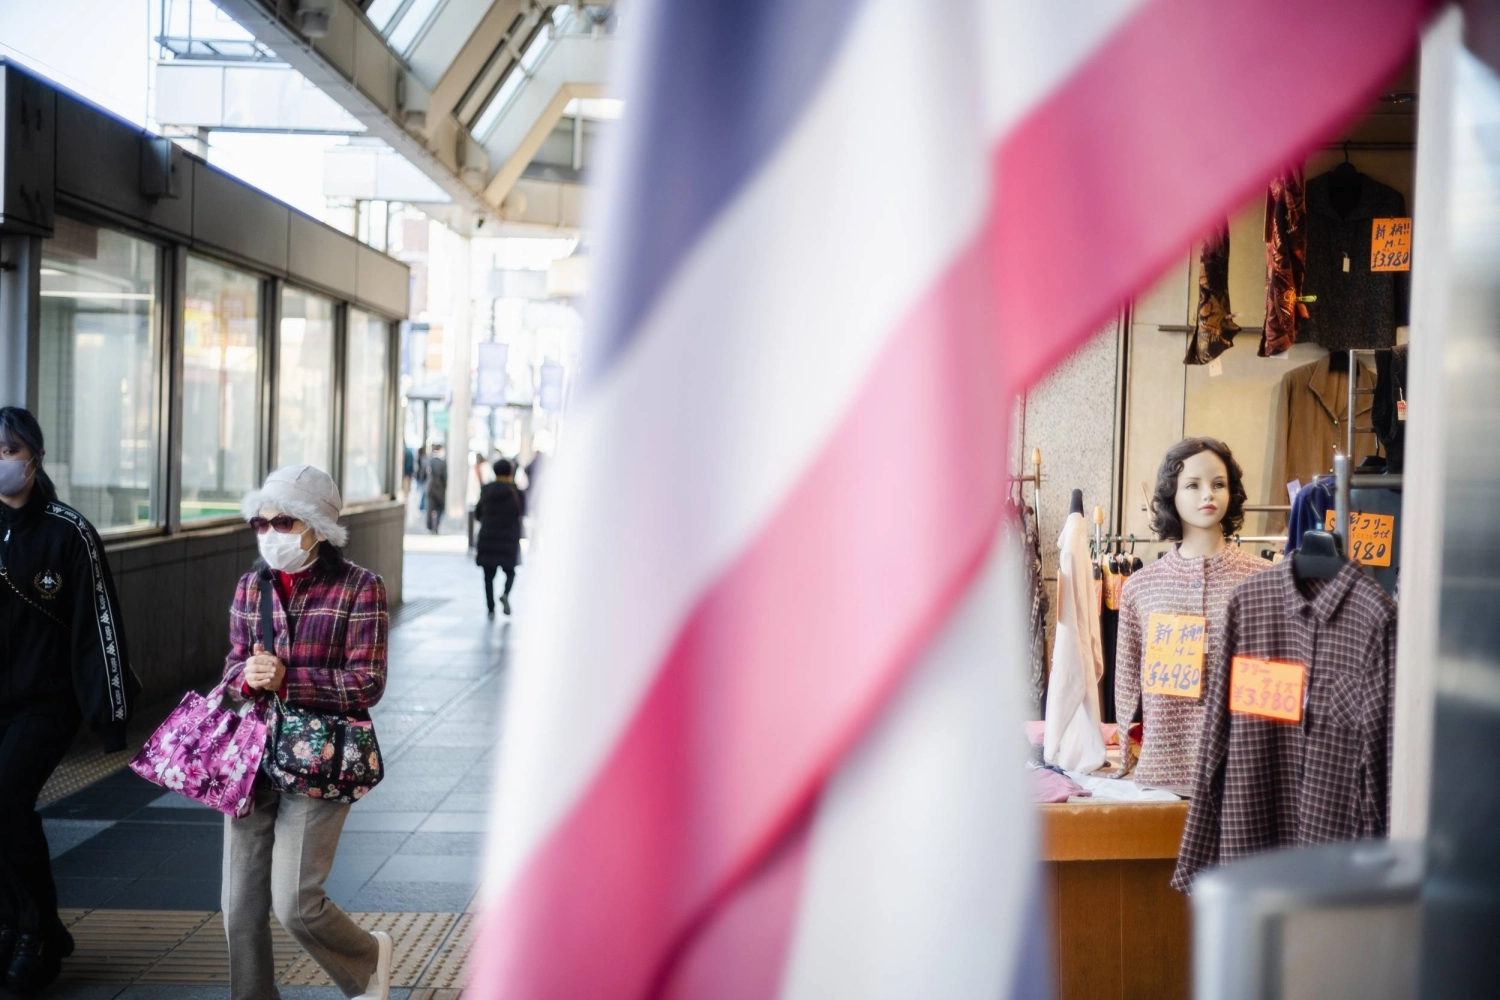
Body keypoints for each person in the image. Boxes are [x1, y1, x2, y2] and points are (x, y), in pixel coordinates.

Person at [220, 465, 395, 1000]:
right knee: (238, 907)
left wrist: (290, 680)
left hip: (322, 759)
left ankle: (367, 959)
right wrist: (244, 678)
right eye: (260, 523)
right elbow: (230, 671)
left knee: (295, 903)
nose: (271, 533)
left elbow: (367, 682)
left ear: (318, 525)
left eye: (285, 521)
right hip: (253, 759)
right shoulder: (252, 586)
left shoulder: (361, 587)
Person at [0, 406, 138, 995]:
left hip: (45, 703)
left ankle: (35, 934)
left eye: (8, 451)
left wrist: (110, 717)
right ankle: (32, 927)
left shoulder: (67, 531)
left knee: (6, 802)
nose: (1, 462)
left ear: (34, 457)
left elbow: (98, 627)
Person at [1113, 437, 1269, 793]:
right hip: (1164, 772)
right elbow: (1125, 680)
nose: (1208, 495)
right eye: (1193, 485)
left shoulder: (1263, 579)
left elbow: (1280, 671)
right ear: (1171, 494)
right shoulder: (1142, 587)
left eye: (1218, 484)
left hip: (1243, 772)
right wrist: (1125, 756)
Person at [474, 459, 526, 617]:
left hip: (488, 537)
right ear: (511, 472)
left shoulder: (487, 489)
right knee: (510, 571)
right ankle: (505, 594)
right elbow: (522, 512)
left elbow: (478, 513)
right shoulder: (517, 492)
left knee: (488, 575)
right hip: (508, 538)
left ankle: (490, 609)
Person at [424, 445, 447, 534]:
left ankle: (429, 527)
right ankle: (436, 526)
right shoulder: (442, 462)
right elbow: (445, 477)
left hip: (430, 487)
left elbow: (423, 475)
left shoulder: (429, 461)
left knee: (429, 508)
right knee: (439, 508)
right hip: (440, 488)